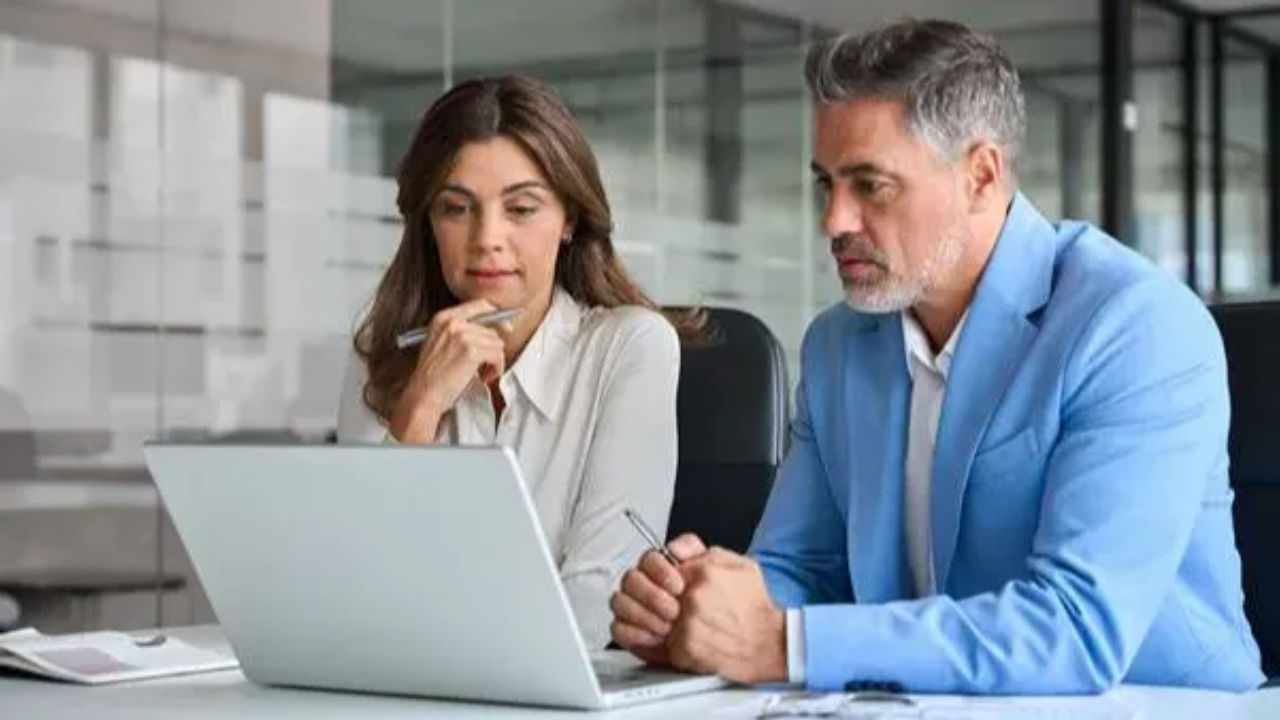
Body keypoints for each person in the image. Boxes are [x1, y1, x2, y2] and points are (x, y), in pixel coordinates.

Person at [610, 19, 1264, 694]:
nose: (834, 220)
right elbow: (801, 570)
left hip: (1157, 704)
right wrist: (699, 606)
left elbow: (1076, 626)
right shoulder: (840, 345)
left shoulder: (1133, 326)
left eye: (870, 185)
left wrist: (783, 641)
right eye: (825, 184)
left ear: (981, 175)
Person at [336, 75, 702, 650]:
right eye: (457, 208)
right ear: (429, 225)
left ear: (570, 220)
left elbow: (598, 596)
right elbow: (347, 584)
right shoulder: (381, 357)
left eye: (522, 208)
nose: (487, 239)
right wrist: (422, 407)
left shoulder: (632, 347)